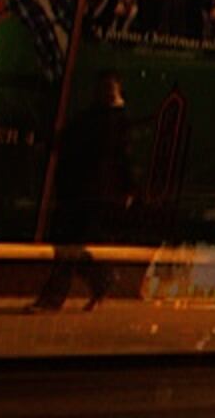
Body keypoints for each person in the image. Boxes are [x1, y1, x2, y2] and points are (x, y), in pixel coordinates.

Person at [26, 74, 132, 311]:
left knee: (70, 245)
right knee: (75, 244)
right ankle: (101, 278)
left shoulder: (104, 121)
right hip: (90, 193)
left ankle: (55, 297)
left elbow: (117, 160)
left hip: (88, 193)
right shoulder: (107, 120)